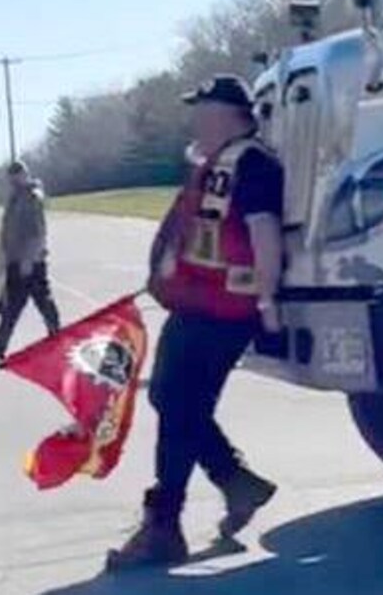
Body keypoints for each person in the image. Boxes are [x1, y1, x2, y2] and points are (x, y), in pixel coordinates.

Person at [106, 75, 285, 572]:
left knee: (178, 405)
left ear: (228, 114)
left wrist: (268, 299)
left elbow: (264, 232)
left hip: (224, 311)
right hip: (197, 304)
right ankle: (233, 482)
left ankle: (164, 526)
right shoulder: (214, 164)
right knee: (173, 401)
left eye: (201, 110)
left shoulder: (252, 165)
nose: (194, 120)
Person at [0, 161, 61, 358]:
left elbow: (37, 232)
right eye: (10, 177)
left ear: (24, 174)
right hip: (16, 259)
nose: (12, 180)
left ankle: (57, 337)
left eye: (16, 175)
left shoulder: (31, 197)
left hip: (30, 260)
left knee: (43, 301)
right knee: (12, 304)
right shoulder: (16, 196)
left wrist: (28, 260)